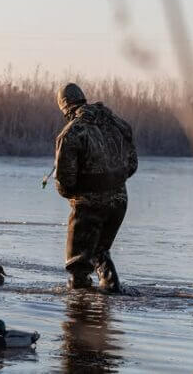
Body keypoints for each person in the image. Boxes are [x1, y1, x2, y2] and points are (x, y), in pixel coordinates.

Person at [53, 83, 138, 293]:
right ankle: (111, 293)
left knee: (79, 266)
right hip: (120, 200)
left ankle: (80, 313)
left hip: (89, 204)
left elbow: (65, 182)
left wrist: (77, 194)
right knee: (100, 251)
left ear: (64, 107)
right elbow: (132, 165)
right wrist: (112, 183)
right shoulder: (117, 124)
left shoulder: (71, 133)